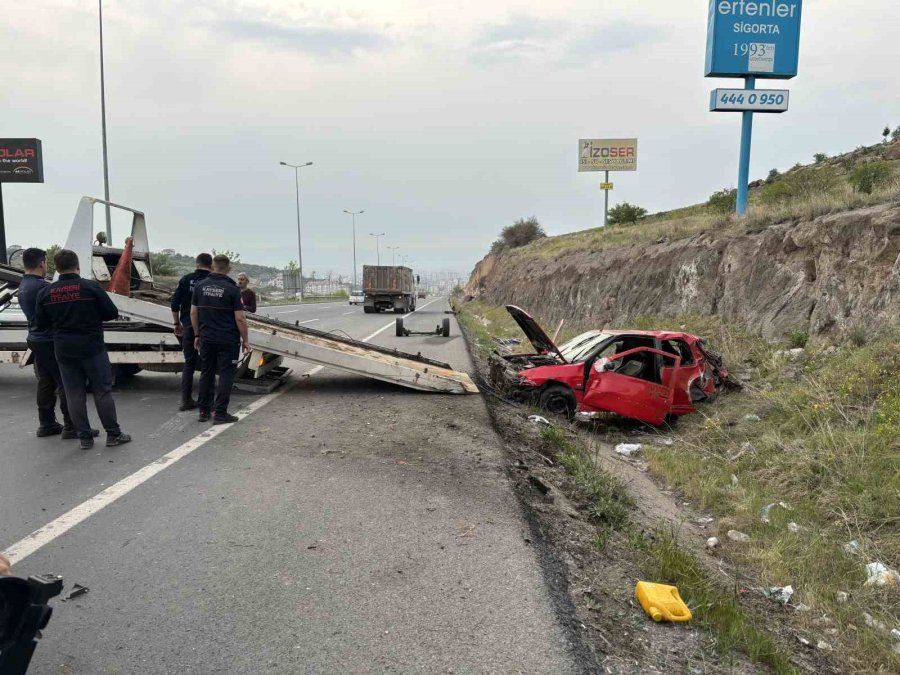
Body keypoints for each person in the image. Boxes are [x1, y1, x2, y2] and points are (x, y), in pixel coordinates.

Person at [34, 249, 131, 450]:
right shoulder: (90, 287)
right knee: (102, 391)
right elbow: (111, 312)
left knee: (73, 393)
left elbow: (41, 323)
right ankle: (113, 434)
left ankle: (85, 438)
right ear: (77, 265)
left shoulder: (45, 292)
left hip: (63, 349)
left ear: (57, 268)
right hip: (92, 347)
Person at [17, 248, 77, 438]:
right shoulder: (43, 287)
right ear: (42, 263)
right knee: (65, 382)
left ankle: (47, 423)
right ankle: (71, 426)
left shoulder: (23, 285)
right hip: (50, 339)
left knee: (46, 382)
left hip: (35, 339)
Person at [191, 255, 250, 424]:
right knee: (225, 375)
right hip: (228, 340)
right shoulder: (232, 289)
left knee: (206, 373)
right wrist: (245, 340)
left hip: (207, 338)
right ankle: (220, 414)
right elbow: (240, 318)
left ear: (212, 267)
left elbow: (193, 313)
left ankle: (203, 411)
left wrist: (197, 335)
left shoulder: (200, 286)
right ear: (229, 269)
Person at [170, 253, 212, 411]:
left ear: (196, 264)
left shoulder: (186, 279)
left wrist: (176, 323)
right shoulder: (213, 282)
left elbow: (174, 304)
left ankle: (186, 399)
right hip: (209, 327)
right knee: (208, 364)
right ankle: (205, 401)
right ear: (211, 265)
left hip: (188, 326)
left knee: (189, 363)